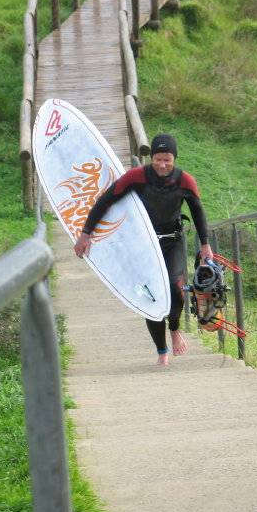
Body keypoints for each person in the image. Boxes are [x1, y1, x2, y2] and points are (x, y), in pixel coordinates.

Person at [73, 134, 213, 366]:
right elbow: (105, 201)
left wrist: (205, 244)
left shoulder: (185, 181)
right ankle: (161, 351)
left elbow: (198, 212)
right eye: (158, 159)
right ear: (151, 158)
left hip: (172, 241)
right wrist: (86, 234)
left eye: (167, 159)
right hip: (144, 244)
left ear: (174, 158)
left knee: (174, 288)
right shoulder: (136, 177)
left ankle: (175, 328)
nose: (162, 164)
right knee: (150, 295)